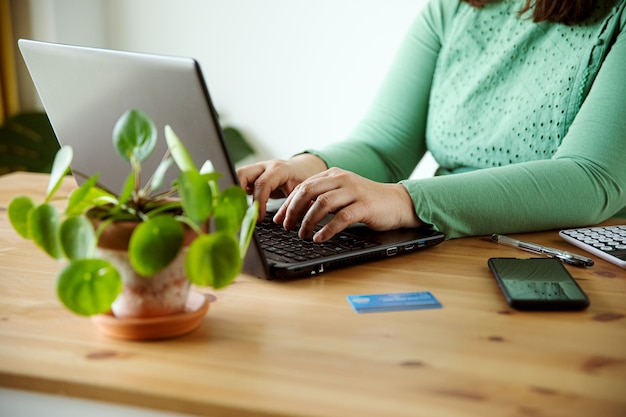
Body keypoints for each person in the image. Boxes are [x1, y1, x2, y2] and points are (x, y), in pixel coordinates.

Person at [237, 0, 626, 243]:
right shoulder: (454, 8)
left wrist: (405, 201)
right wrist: (303, 170)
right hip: (447, 249)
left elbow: (592, 179)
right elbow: (384, 147)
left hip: (566, 264)